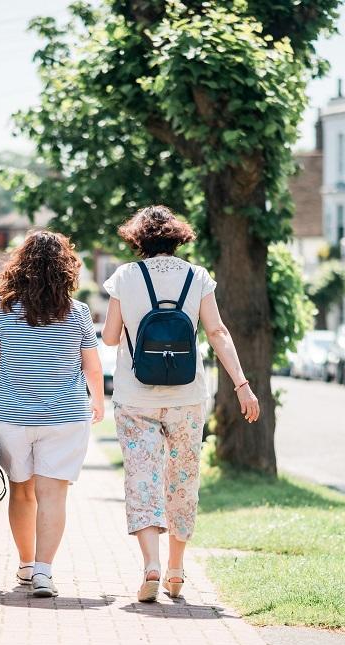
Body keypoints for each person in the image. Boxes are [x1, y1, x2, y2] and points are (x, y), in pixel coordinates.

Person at [102, 206, 260, 602]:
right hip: (188, 397)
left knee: (143, 475)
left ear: (137, 239)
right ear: (177, 237)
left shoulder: (125, 276)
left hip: (135, 396)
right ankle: (175, 569)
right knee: (183, 478)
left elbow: (107, 337)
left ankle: (150, 565)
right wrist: (241, 384)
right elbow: (217, 332)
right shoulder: (198, 277)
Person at [0, 230, 105, 598]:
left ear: (20, 266)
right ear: (65, 269)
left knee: (22, 491)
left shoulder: (1, 310)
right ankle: (45, 572)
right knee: (54, 495)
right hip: (65, 416)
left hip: (11, 415)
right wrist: (98, 400)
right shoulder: (77, 313)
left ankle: (27, 564)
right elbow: (92, 367)